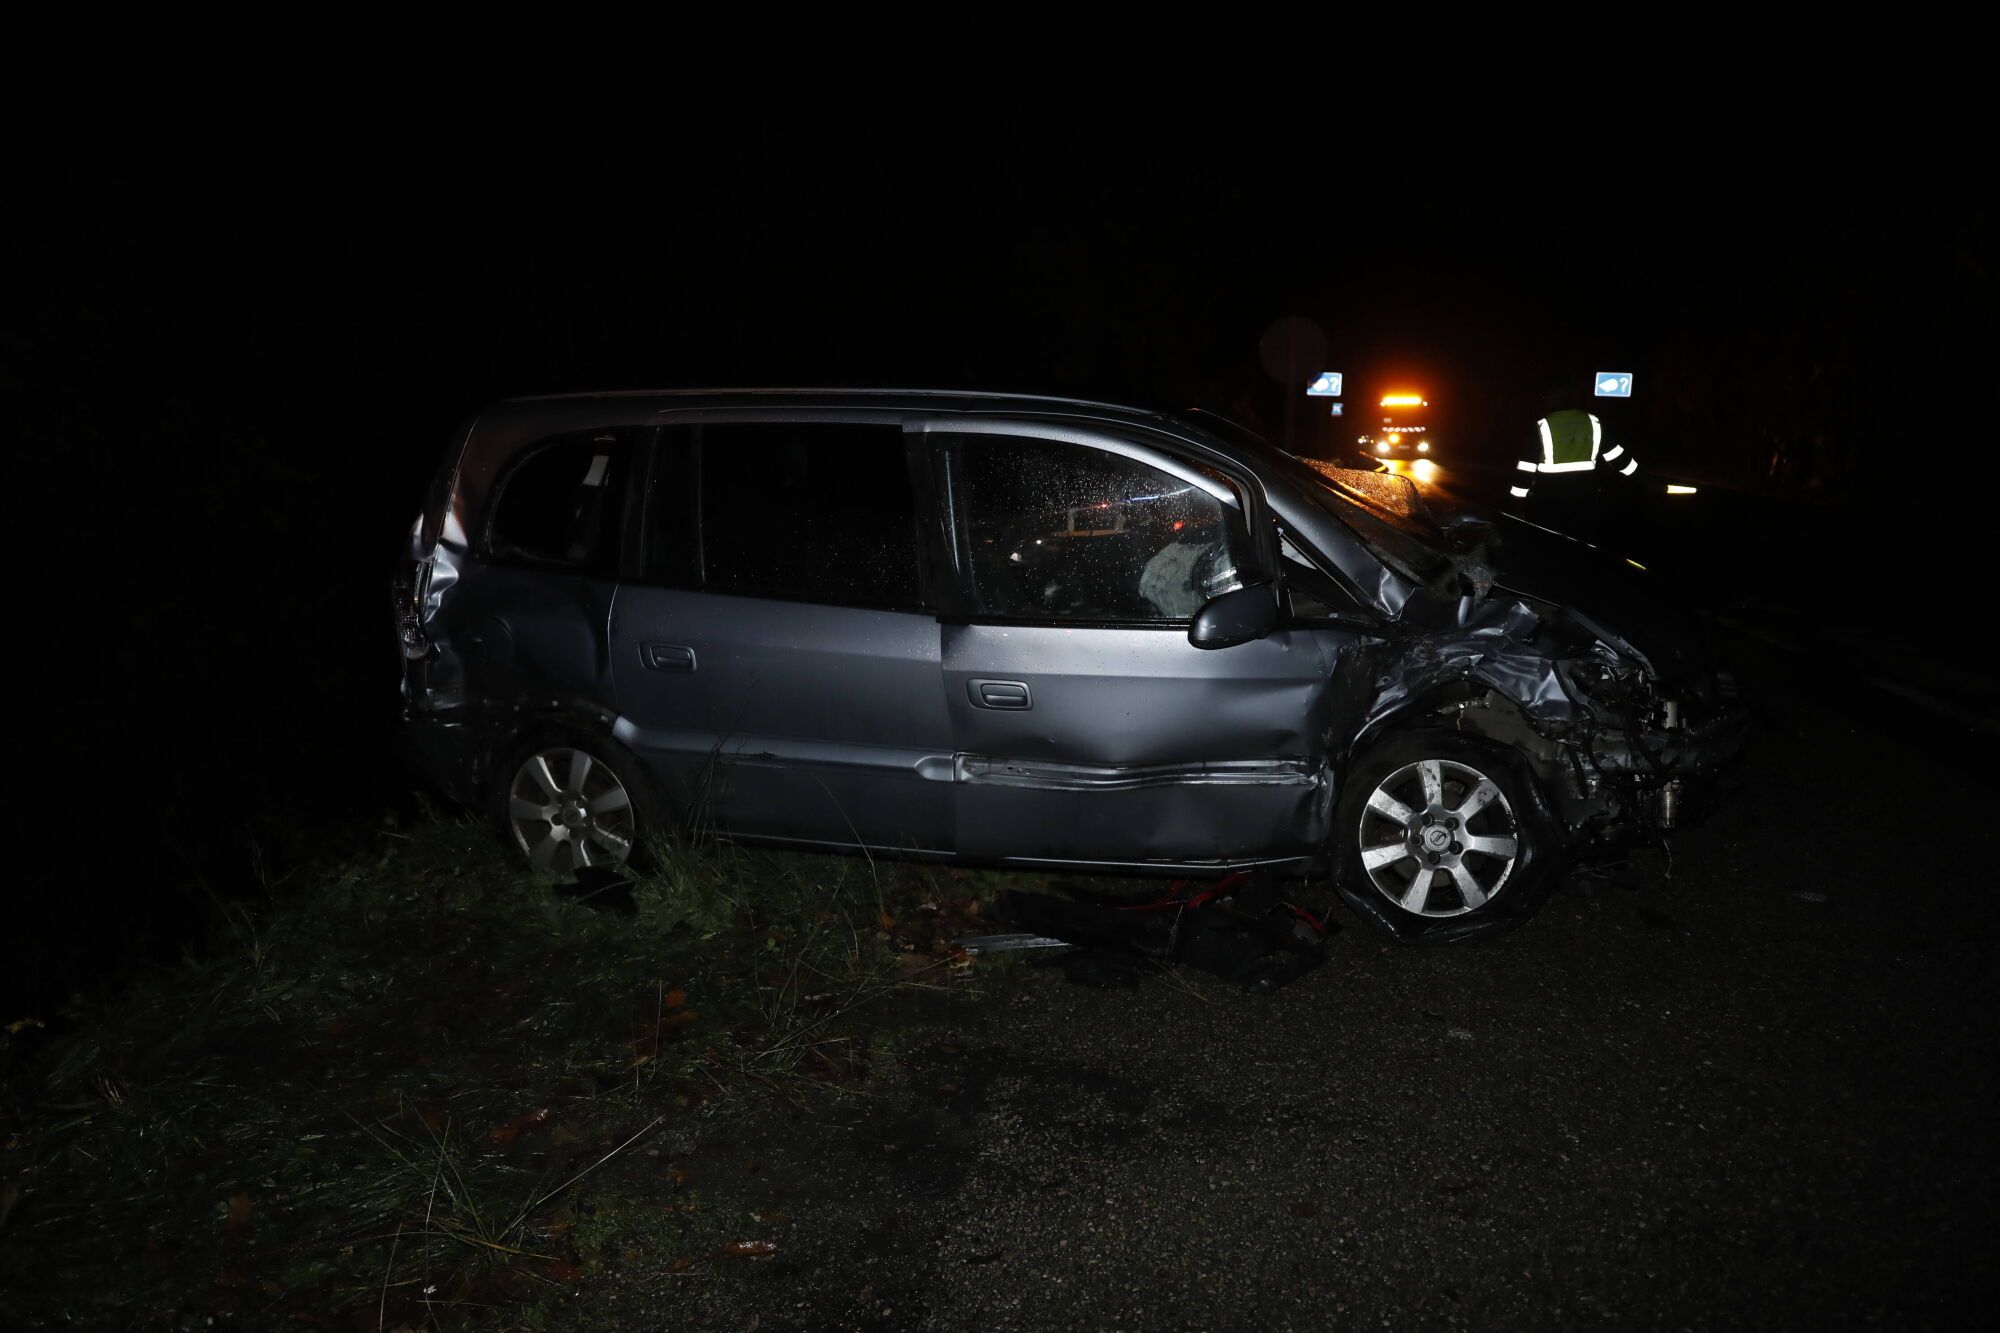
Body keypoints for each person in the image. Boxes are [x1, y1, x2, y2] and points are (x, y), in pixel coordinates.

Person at [1507, 382, 1641, 536]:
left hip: (1550, 503)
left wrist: (1515, 506)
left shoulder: (1541, 426)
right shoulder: (1593, 422)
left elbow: (1525, 471)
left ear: (1549, 399)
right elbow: (1620, 459)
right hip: (1586, 501)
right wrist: (1645, 481)